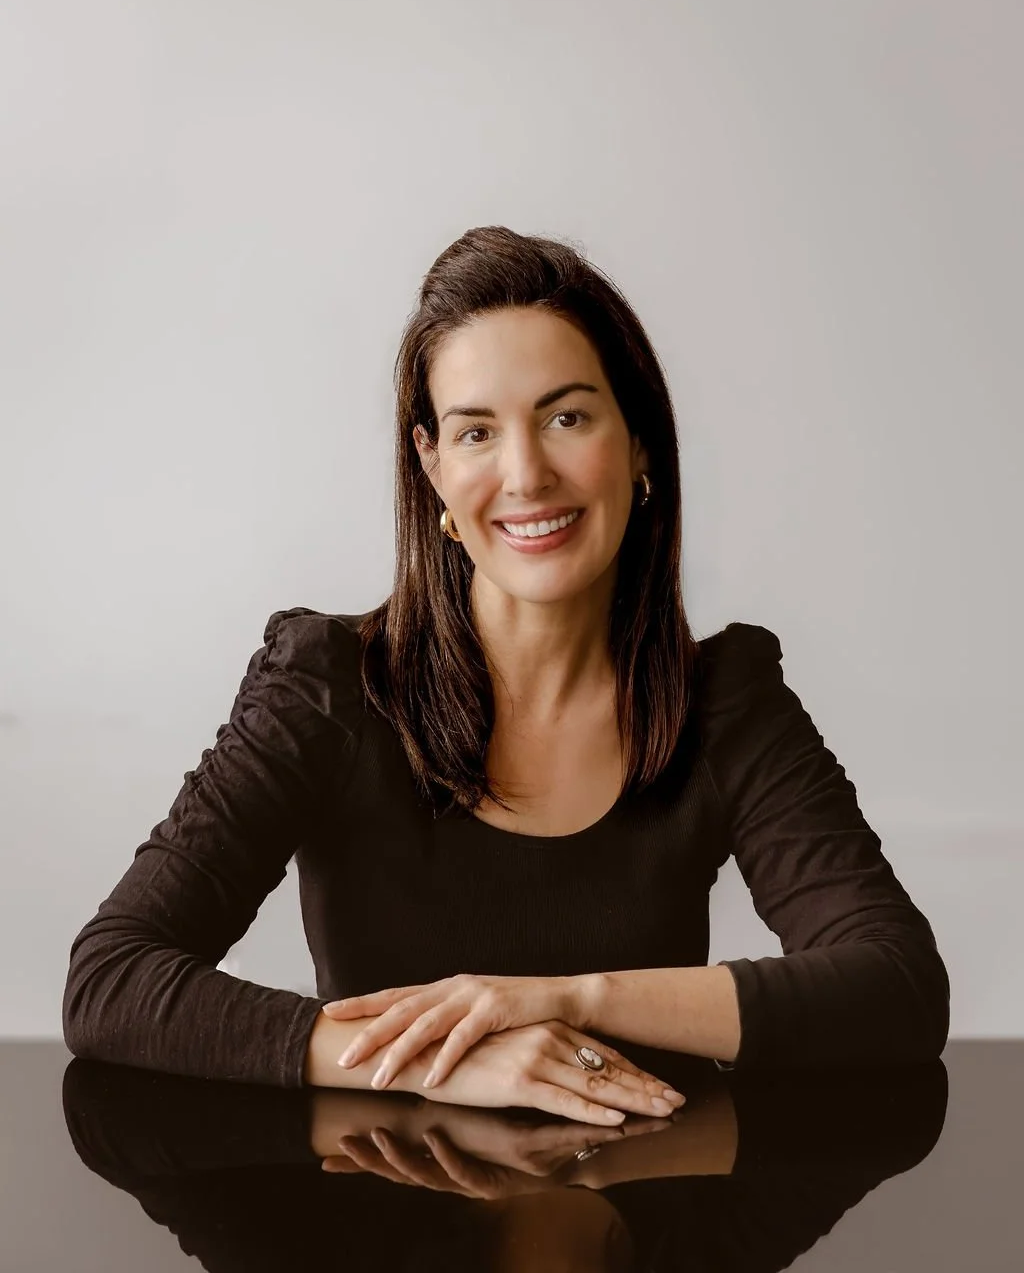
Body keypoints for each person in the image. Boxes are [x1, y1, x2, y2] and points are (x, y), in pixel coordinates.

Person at [62, 225, 950, 1127]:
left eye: (567, 417)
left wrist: (567, 1000)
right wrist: (433, 1062)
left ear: (639, 441)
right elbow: (111, 978)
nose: (525, 475)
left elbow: (899, 985)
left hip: (646, 1198)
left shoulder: (725, 703)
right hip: (377, 1208)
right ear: (432, 466)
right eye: (476, 432)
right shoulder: (326, 688)